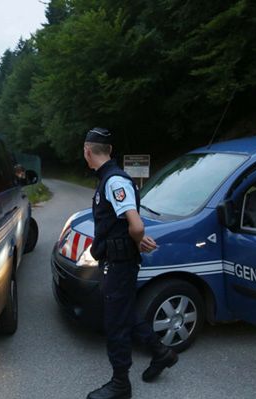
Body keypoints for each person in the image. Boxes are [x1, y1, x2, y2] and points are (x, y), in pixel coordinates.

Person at [84, 127, 178, 399]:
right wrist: (136, 238)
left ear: (87, 151)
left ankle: (120, 384)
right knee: (124, 313)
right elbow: (125, 224)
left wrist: (138, 240)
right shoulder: (109, 179)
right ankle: (162, 353)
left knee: (115, 323)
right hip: (117, 261)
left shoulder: (114, 181)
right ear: (110, 150)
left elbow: (135, 224)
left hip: (119, 263)